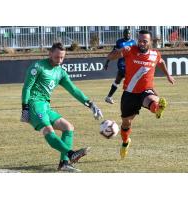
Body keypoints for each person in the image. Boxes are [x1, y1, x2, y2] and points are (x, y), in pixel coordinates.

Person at [21, 42, 103, 172]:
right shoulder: (38, 66)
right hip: (34, 105)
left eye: (62, 58)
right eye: (57, 57)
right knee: (49, 131)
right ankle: (71, 154)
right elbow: (27, 87)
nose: (59, 60)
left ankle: (64, 163)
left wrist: (90, 103)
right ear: (50, 54)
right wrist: (25, 107)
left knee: (68, 127)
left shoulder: (60, 72)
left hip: (46, 106)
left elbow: (73, 90)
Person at [107, 30, 175, 158]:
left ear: (150, 42)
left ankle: (157, 108)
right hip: (129, 93)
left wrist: (168, 75)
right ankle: (126, 142)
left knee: (152, 100)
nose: (142, 43)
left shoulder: (155, 54)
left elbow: (161, 62)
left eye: (145, 41)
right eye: (140, 40)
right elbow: (110, 57)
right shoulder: (129, 50)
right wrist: (120, 50)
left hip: (146, 91)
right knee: (126, 122)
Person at [104, 28, 136, 104]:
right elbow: (114, 52)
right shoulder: (119, 42)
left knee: (117, 81)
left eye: (129, 33)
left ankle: (108, 97)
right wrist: (107, 62)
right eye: (126, 33)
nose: (128, 35)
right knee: (131, 81)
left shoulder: (133, 42)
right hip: (122, 64)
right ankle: (130, 99)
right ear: (123, 34)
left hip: (131, 64)